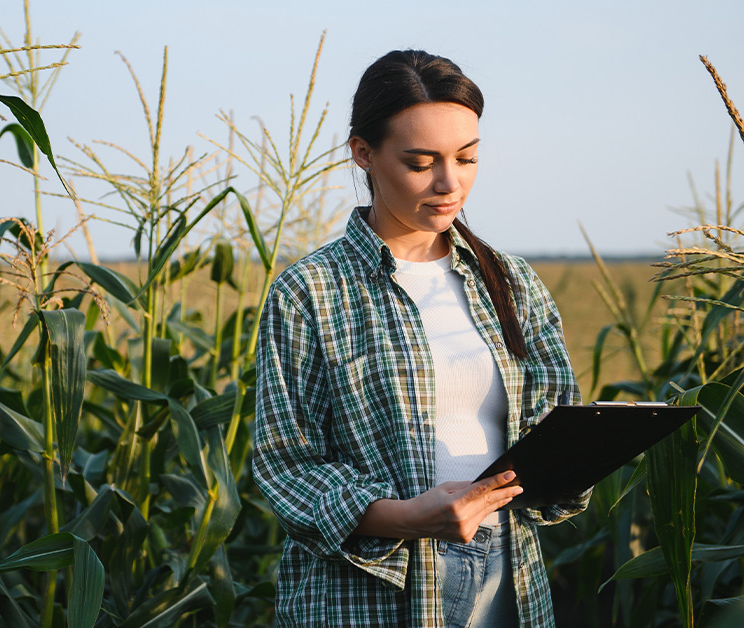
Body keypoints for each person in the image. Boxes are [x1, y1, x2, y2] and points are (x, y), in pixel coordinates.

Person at [252, 50, 588, 627]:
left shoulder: (509, 280)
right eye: (420, 162)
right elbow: (287, 466)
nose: (449, 182)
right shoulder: (309, 292)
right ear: (363, 153)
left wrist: (587, 448)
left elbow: (553, 417)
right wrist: (408, 517)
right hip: (370, 586)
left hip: (507, 569)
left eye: (467, 157)